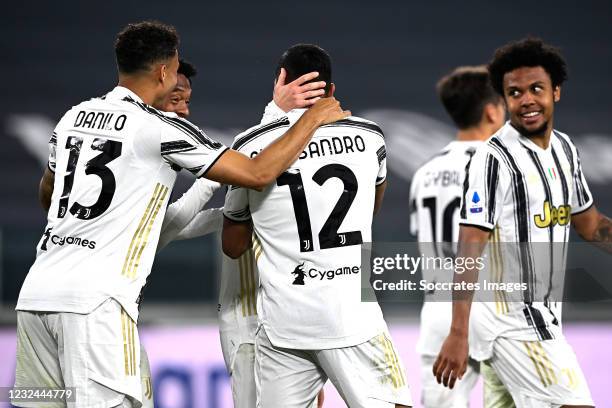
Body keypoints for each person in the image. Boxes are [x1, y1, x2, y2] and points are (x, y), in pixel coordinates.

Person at [13, 21, 347, 408]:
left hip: (35, 297)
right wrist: (309, 118)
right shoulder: (156, 127)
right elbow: (257, 172)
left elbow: (48, 194)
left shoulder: (73, 117)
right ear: (163, 72)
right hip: (96, 304)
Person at [223, 43, 412, 408]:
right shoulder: (371, 137)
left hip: (283, 324)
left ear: (281, 81)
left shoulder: (250, 146)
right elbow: (368, 209)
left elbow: (233, 245)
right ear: (332, 91)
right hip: (352, 316)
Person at [434, 38, 612, 408]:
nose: (527, 100)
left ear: (556, 92)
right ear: (503, 100)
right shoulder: (494, 159)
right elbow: (469, 246)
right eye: (515, 92)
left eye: (536, 89)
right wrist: (456, 332)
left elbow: (590, 225)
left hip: (539, 318)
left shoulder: (565, 149)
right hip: (515, 323)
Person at [157, 62, 328, 408]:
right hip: (250, 320)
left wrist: (232, 213)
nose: (186, 109)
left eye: (188, 99)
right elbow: (167, 227)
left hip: (285, 317)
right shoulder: (152, 140)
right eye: (178, 99)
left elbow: (167, 226)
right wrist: (224, 167)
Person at [409, 66, 510, 407]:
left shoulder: (423, 174)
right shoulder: (504, 168)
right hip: (498, 309)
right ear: (492, 111)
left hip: (439, 312)